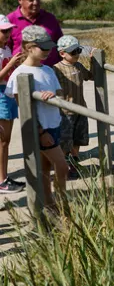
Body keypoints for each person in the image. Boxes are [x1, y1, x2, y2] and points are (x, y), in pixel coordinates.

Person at [6, 26, 69, 209]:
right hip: (41, 129)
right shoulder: (19, 74)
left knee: (45, 170)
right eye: (43, 47)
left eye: (49, 47)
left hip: (54, 123)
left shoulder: (48, 70)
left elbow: (59, 93)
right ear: (27, 47)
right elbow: (24, 107)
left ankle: (49, 205)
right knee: (62, 167)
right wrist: (41, 132)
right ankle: (62, 203)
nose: (48, 51)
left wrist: (52, 94)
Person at [53, 35, 94, 178]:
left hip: (80, 108)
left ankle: (74, 164)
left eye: (78, 50)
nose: (77, 54)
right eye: (73, 52)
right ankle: (63, 165)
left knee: (78, 139)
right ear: (62, 53)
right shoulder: (56, 69)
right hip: (65, 112)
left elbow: (91, 76)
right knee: (65, 140)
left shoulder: (79, 66)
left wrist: (93, 61)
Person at [8, 0, 63, 67]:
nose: (36, 3)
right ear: (20, 0)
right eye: (31, 0)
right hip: (22, 73)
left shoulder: (50, 18)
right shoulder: (10, 21)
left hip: (50, 72)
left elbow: (61, 44)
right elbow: (4, 50)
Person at [0, 14, 24, 193]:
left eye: (9, 30)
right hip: (1, 96)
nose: (7, 34)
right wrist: (11, 65)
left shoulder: (5, 49)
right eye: (3, 31)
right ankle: (2, 181)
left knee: (5, 141)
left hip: (7, 94)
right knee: (2, 141)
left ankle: (4, 177)